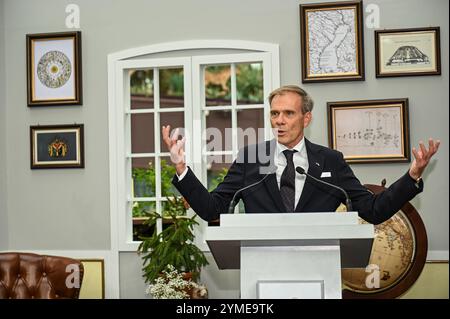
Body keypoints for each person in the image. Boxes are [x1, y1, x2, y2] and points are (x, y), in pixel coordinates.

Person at [162, 85, 440, 224]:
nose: (279, 121)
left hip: (321, 265)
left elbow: (373, 210)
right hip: (261, 266)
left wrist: (412, 176)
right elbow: (215, 210)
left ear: (306, 118)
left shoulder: (330, 160)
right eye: (274, 113)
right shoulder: (251, 158)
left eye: (288, 113)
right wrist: (182, 168)